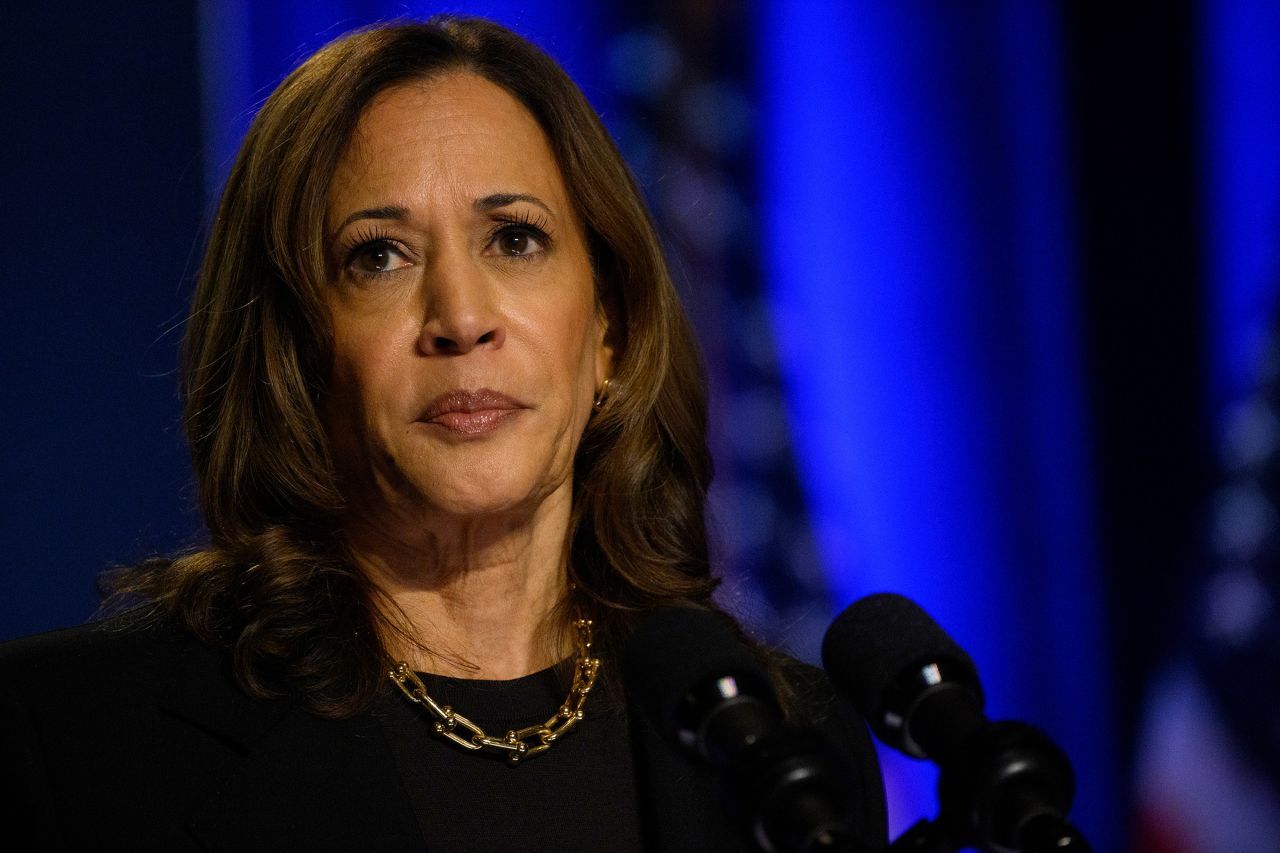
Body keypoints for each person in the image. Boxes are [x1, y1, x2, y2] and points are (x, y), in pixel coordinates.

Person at [0, 17, 886, 852]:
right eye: (379, 256)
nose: (460, 318)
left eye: (514, 239)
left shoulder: (786, 746)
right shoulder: (73, 740)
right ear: (296, 351)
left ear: (607, 326)